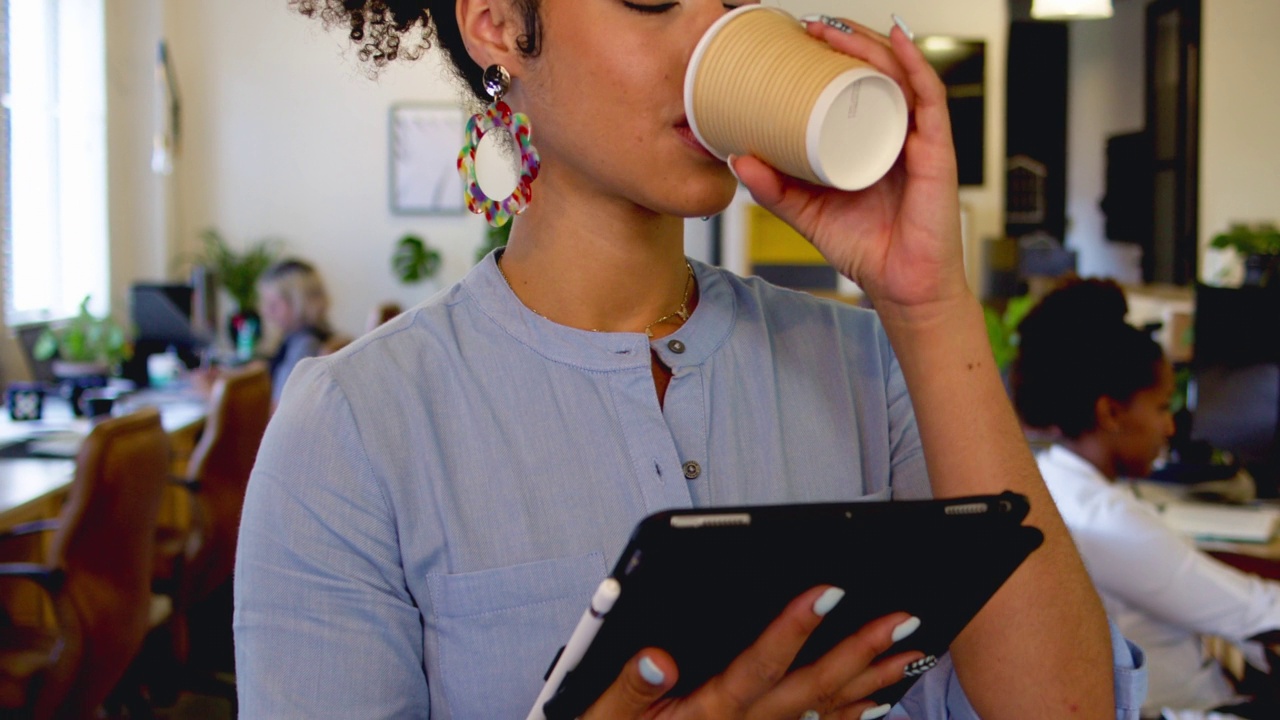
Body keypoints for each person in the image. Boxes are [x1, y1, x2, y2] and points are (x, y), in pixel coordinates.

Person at [234, 2, 1145, 718]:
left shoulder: (876, 369)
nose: (717, 38)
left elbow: (1066, 708)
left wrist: (930, 304)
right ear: (499, 26)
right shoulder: (354, 430)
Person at [1012, 278, 1280, 719]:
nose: (1170, 428)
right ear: (1111, 413)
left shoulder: (1053, 481)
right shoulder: (1108, 520)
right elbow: (1255, 614)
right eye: (1161, 407)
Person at [255, 258, 334, 402]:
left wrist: (214, 395)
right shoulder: (323, 335)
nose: (266, 312)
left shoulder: (305, 347)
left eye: (273, 305)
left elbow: (280, 411)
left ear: (299, 303)